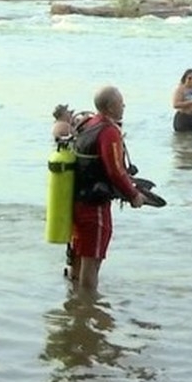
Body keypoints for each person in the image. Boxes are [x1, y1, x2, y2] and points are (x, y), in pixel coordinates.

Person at [70, 85, 145, 293]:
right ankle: (88, 305)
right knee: (92, 260)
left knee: (79, 255)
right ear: (111, 107)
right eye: (121, 102)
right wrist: (134, 195)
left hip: (76, 200)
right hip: (94, 206)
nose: (124, 106)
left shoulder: (87, 123)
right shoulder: (108, 131)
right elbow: (115, 171)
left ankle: (75, 300)